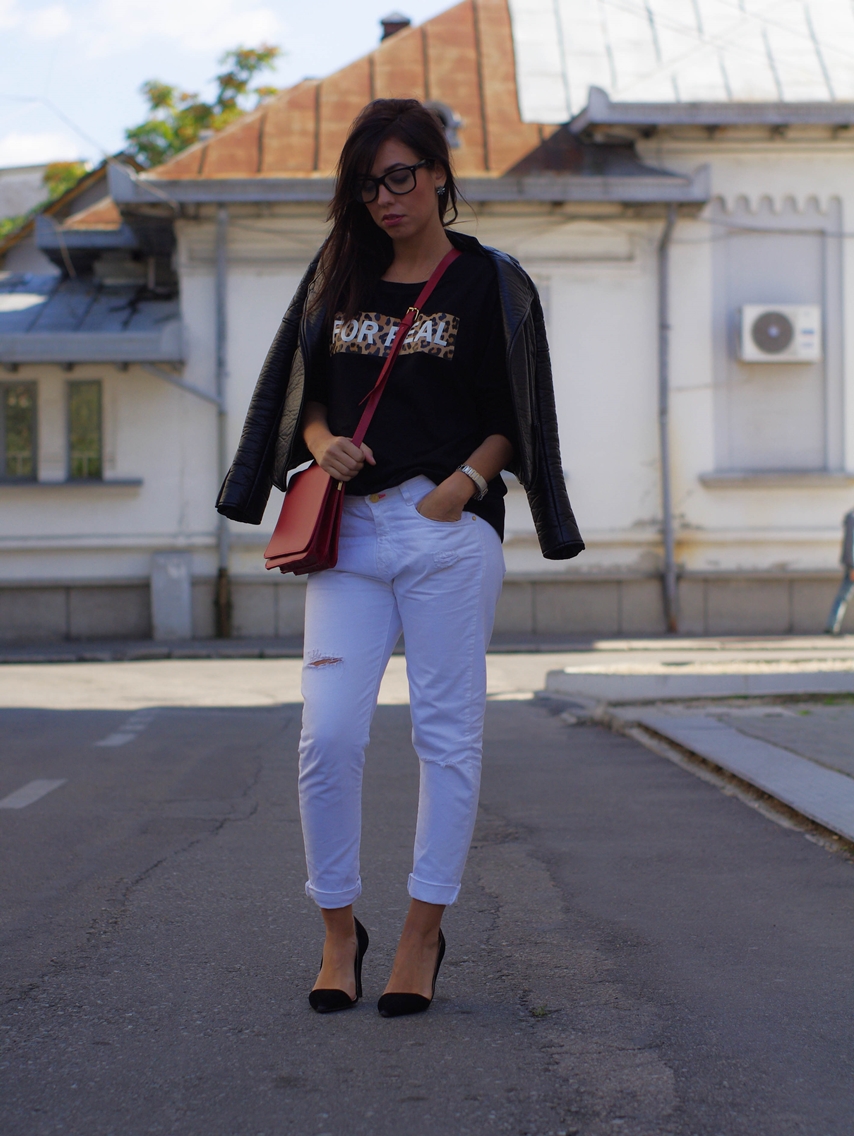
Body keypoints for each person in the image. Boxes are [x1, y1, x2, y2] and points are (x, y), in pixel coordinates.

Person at [217, 98, 584, 1017]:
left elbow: (517, 413)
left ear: (438, 175)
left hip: (446, 531)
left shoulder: (490, 282)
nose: (385, 198)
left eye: (399, 176)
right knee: (328, 736)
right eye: (367, 184)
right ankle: (339, 932)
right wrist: (322, 443)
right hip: (349, 531)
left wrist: (462, 486)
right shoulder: (338, 274)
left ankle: (422, 934)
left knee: (445, 737)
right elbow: (306, 394)